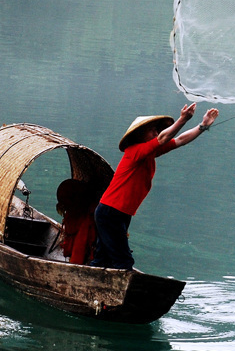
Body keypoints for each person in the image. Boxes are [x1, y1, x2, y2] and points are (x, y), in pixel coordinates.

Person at [90, 103, 218, 269]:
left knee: (103, 258)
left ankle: (91, 284)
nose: (156, 133)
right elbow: (162, 139)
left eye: (157, 130)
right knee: (123, 261)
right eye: (152, 130)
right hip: (110, 212)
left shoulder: (149, 154)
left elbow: (179, 140)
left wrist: (203, 126)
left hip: (119, 213)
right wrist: (182, 119)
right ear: (140, 135)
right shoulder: (134, 151)